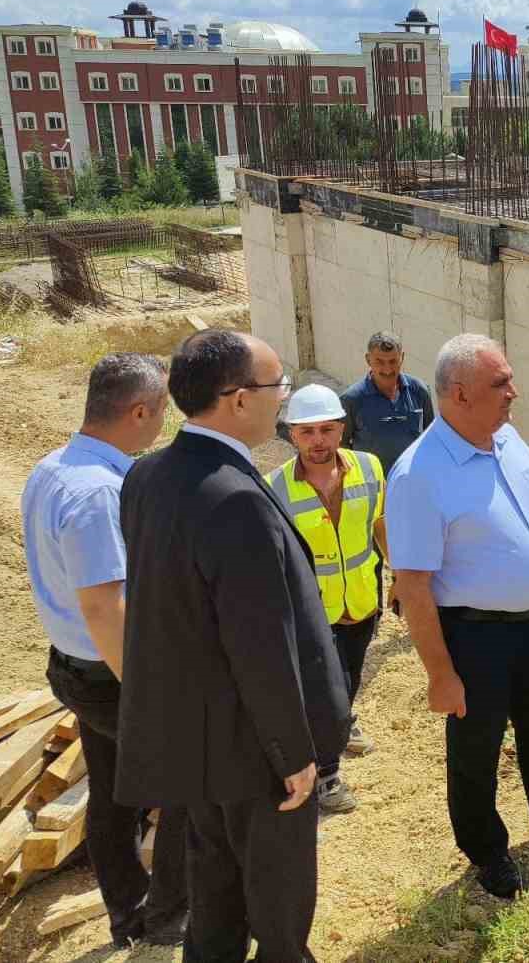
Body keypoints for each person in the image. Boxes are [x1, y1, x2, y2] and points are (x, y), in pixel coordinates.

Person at [117, 330, 349, 963]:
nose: (285, 400)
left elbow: (172, 616)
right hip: (256, 754)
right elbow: (260, 643)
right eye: (279, 387)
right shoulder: (237, 498)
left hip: (199, 743)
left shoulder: (146, 476)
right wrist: (293, 753)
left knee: (215, 900)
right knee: (278, 912)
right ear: (239, 399)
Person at [385, 333, 529, 901]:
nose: (514, 391)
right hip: (476, 637)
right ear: (460, 394)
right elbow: (413, 586)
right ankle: (486, 850)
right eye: (501, 384)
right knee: (477, 749)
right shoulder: (419, 474)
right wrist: (440, 675)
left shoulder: (509, 440)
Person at [20, 353, 189, 948]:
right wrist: (146, 691)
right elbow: (103, 606)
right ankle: (166, 916)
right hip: (112, 673)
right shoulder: (97, 493)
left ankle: (127, 911)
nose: (163, 424)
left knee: (116, 789)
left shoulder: (52, 469)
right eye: (161, 411)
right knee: (185, 788)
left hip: (76, 665)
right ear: (139, 411)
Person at [266, 383, 388, 816]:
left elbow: (379, 525)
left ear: (341, 428)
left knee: (348, 679)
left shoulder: (370, 469)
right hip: (310, 613)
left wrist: (400, 579)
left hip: (360, 602)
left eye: (327, 429)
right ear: (291, 435)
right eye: (307, 432)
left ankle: (341, 722)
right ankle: (327, 775)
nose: (318, 441)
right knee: (323, 692)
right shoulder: (273, 489)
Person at [341, 331, 436, 474]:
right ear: (368, 360)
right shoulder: (351, 400)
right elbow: (342, 447)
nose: (387, 369)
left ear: (402, 357)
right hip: (372, 488)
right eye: (380, 361)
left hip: (411, 483)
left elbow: (430, 438)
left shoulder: (419, 391)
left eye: (393, 361)